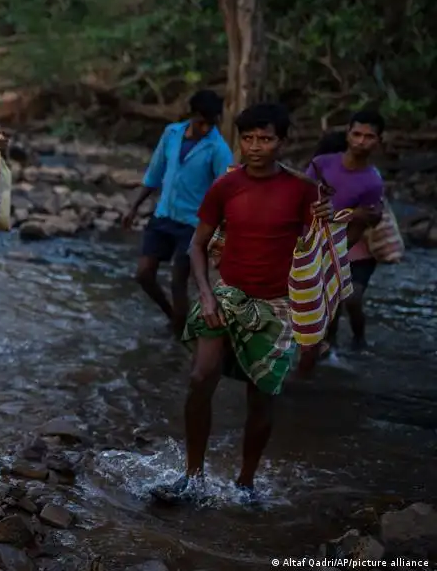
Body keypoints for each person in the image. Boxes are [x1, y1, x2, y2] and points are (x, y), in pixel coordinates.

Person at [154, 103, 331, 505]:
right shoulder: (226, 187)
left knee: (261, 396)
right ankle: (192, 475)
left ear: (282, 142)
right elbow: (198, 245)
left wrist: (331, 216)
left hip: (278, 305)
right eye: (248, 138)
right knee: (201, 378)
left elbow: (325, 253)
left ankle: (246, 482)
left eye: (265, 139)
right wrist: (206, 292)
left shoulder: (303, 191)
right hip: (227, 294)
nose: (255, 147)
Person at [123, 90, 234, 337]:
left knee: (178, 282)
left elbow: (227, 190)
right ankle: (173, 316)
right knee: (143, 273)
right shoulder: (171, 134)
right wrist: (133, 207)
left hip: (193, 225)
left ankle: (177, 335)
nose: (206, 128)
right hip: (163, 215)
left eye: (211, 123)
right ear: (192, 115)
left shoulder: (218, 148)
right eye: (201, 122)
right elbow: (154, 174)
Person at [306, 110, 386, 351]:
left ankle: (358, 339)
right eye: (357, 134)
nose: (361, 141)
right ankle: (327, 348)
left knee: (351, 297)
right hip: (315, 241)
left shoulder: (372, 181)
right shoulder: (322, 165)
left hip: (351, 247)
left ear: (378, 141)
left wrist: (333, 252)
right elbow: (303, 201)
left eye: (369, 136)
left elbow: (362, 226)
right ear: (348, 135)